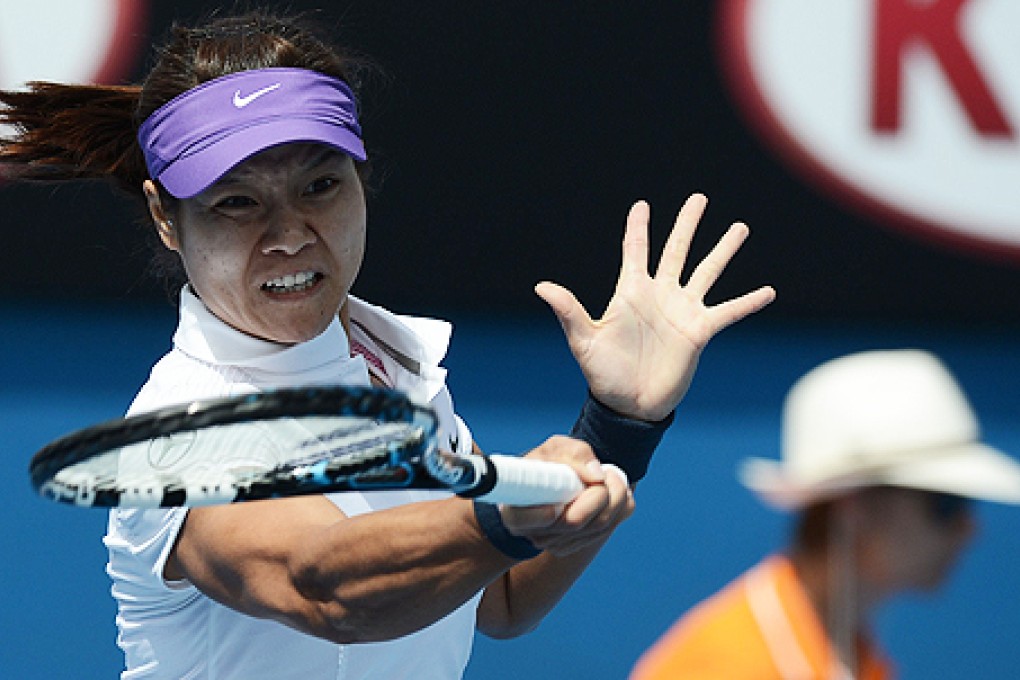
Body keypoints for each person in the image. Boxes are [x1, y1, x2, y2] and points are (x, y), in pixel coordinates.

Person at [1, 8, 775, 680]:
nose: (289, 234)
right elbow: (323, 587)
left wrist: (616, 428)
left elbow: (496, 601)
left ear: (361, 177)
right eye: (236, 203)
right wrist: (503, 514)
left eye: (319, 185)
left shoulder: (391, 361)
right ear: (167, 220)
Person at [630, 349, 1020, 680]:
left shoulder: (846, 650)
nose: (970, 528)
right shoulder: (727, 665)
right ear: (852, 506)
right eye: (946, 502)